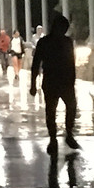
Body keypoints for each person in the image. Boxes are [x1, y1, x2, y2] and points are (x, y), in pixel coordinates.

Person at [30, 13, 79, 154]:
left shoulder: (53, 42)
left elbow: (71, 62)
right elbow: (36, 64)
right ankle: (56, 137)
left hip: (59, 81)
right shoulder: (49, 42)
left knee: (63, 109)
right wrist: (33, 84)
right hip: (55, 81)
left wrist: (33, 84)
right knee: (54, 110)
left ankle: (65, 135)